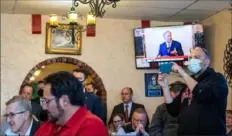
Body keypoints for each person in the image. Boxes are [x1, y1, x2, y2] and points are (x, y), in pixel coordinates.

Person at [158, 47, 228, 135]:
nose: (192, 60)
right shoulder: (189, 84)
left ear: (207, 62)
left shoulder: (217, 79)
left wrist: (182, 73)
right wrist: (165, 87)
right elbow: (173, 110)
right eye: (191, 58)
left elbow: (202, 93)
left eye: (197, 57)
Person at [34, 71, 108, 136]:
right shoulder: (50, 123)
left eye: (47, 101)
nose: (44, 107)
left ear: (64, 101)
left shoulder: (92, 126)